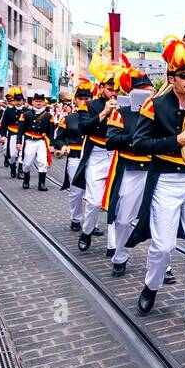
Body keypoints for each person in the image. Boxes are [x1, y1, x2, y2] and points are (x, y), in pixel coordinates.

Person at [127, 38, 185, 327]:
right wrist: (175, 142)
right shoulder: (154, 106)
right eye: (184, 76)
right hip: (165, 179)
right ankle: (151, 286)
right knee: (163, 246)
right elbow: (139, 143)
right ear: (171, 78)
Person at [101, 67, 157, 277]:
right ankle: (120, 256)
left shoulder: (160, 111)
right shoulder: (121, 113)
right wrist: (135, 138)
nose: (147, 93)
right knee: (123, 220)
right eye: (141, 89)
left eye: (149, 89)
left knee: (159, 221)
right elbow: (111, 140)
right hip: (132, 169)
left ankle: (163, 267)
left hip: (156, 170)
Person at [74, 66, 123, 254]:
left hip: (116, 155)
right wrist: (104, 113)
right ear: (102, 88)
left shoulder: (124, 105)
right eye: (110, 89)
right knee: (94, 202)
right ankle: (86, 231)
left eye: (117, 89)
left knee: (114, 202)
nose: (114, 93)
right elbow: (84, 127)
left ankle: (113, 245)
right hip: (96, 154)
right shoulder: (90, 105)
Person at [61, 81, 92, 230]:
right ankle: (75, 219)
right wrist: (62, 146)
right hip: (75, 157)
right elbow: (58, 138)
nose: (84, 101)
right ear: (76, 100)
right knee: (76, 191)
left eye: (87, 98)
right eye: (81, 98)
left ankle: (93, 224)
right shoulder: (68, 119)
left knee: (93, 194)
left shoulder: (98, 117)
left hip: (93, 158)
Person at [17, 92, 54, 190]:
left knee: (42, 162)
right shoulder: (26, 114)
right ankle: (26, 180)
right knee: (26, 163)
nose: (38, 103)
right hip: (29, 141)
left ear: (44, 103)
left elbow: (50, 132)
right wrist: (19, 142)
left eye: (40, 101)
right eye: (36, 101)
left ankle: (41, 184)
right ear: (32, 102)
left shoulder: (48, 116)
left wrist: (52, 144)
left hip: (41, 141)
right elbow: (20, 130)